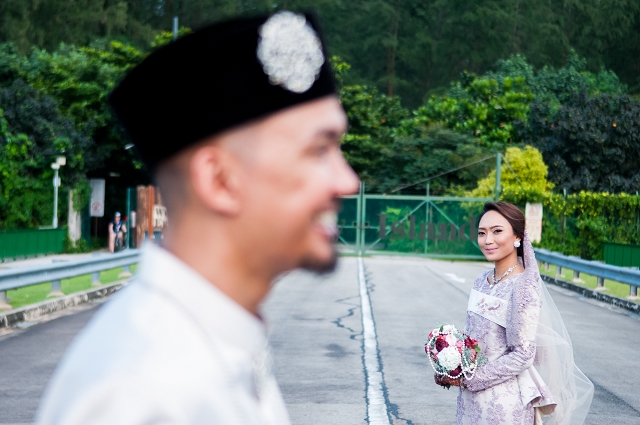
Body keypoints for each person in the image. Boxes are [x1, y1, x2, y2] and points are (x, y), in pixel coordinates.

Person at [37, 11, 359, 425]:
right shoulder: (142, 395)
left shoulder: (215, 343)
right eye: (319, 150)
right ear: (219, 180)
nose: (347, 181)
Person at [437, 202, 593, 425]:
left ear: (518, 237)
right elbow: (471, 340)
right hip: (469, 401)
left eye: (497, 231)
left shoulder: (523, 286)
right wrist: (450, 367)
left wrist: (470, 379)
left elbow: (522, 354)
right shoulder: (480, 281)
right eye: (482, 233)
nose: (488, 240)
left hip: (504, 403)